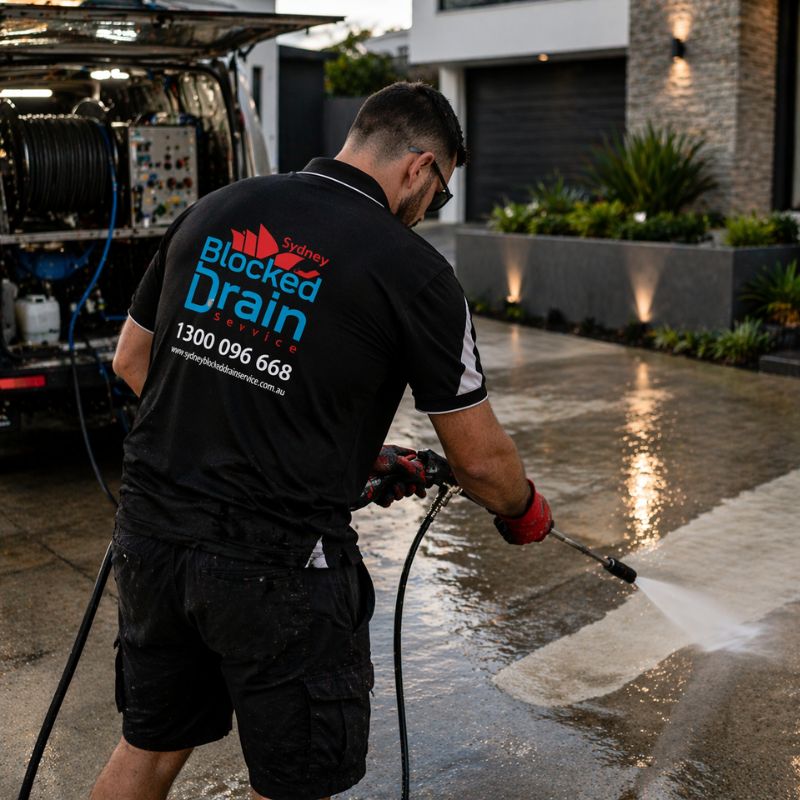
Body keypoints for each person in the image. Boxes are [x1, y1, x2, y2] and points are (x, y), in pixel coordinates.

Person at [92, 81, 552, 800]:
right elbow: (481, 462)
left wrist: (324, 452)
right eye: (439, 194)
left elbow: (132, 361)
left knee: (150, 745)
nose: (429, 211)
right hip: (275, 567)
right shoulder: (415, 273)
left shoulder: (219, 208)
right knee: (295, 782)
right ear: (420, 166)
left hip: (151, 539)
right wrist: (523, 511)